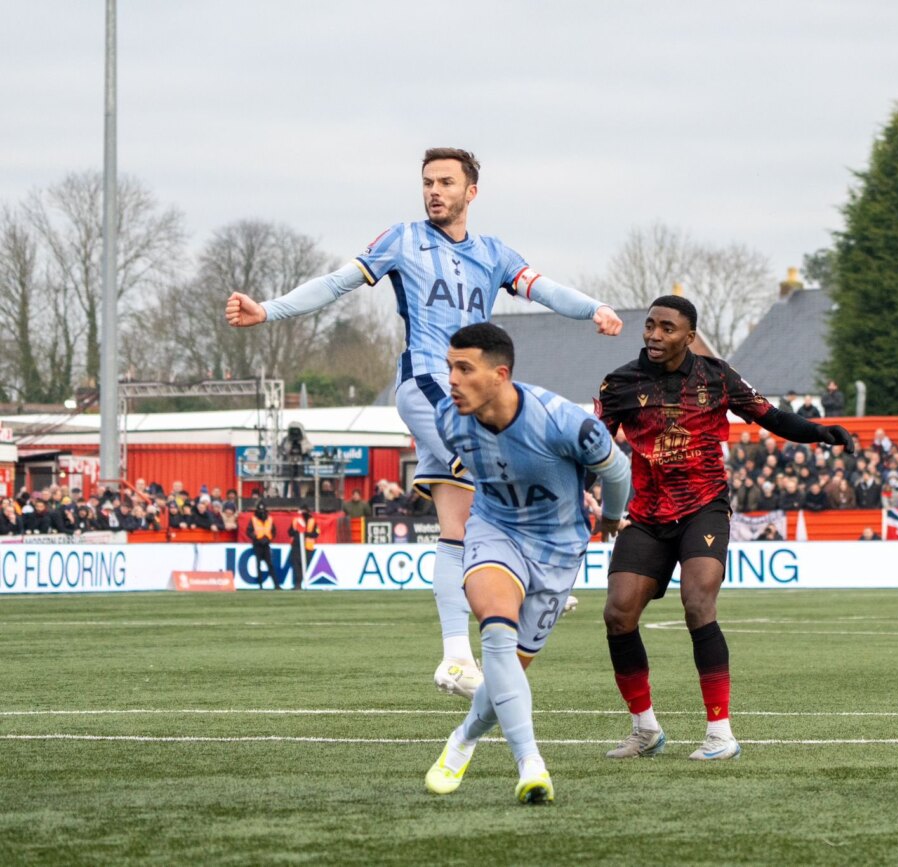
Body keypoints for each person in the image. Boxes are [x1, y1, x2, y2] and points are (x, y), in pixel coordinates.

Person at [225, 147, 623, 698]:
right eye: (428, 182)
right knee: (499, 471)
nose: (434, 191)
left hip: (475, 391)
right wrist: (268, 309)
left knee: (457, 524)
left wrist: (593, 309)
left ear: (471, 192)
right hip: (427, 387)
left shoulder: (493, 253)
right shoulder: (402, 240)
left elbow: (544, 288)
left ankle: (457, 657)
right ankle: (530, 571)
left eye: (445, 182)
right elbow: (337, 282)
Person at [595, 296, 853, 761]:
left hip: (703, 509)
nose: (654, 335)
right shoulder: (618, 384)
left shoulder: (717, 376)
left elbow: (771, 417)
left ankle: (720, 734)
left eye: (667, 328)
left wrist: (820, 431)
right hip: (647, 516)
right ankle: (645, 730)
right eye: (650, 326)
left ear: (689, 336)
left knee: (697, 603)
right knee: (618, 614)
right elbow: (591, 443)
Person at [423, 323, 631, 805]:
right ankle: (530, 765)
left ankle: (463, 739)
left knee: (506, 676)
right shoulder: (448, 417)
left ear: (500, 375)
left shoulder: (562, 422)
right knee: (496, 633)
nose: (451, 379)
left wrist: (612, 520)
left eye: (464, 368)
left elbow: (617, 471)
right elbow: (473, 465)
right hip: (495, 533)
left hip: (559, 551)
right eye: (449, 367)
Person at [246, 502, 278, 589]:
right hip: (257, 544)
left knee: (270, 565)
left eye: (263, 510)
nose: (262, 512)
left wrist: (269, 539)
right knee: (258, 565)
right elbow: (248, 531)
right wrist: (256, 538)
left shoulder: (270, 519)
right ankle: (260, 585)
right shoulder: (253, 519)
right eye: (260, 510)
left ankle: (276, 585)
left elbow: (274, 531)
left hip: (266, 544)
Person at [288, 507, 319, 590]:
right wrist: (297, 534)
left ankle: (300, 583)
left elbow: (316, 533)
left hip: (307, 547)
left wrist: (306, 534)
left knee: (303, 566)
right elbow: (290, 532)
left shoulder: (312, 521)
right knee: (296, 565)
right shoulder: (296, 520)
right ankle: (297, 584)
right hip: (296, 546)